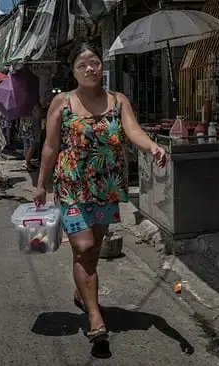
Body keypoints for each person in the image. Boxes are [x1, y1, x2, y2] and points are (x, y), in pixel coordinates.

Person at [33, 42, 166, 344]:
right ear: (74, 71)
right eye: (83, 65)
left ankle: (83, 294)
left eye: (94, 62)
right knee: (83, 246)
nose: (90, 68)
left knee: (92, 252)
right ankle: (95, 316)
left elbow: (133, 131)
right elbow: (51, 145)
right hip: (71, 187)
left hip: (105, 187)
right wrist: (42, 183)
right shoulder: (62, 103)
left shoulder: (118, 101)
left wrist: (152, 147)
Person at [19, 102, 42, 170]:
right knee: (34, 144)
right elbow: (38, 115)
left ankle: (28, 163)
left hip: (24, 125)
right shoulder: (35, 103)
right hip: (32, 126)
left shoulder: (22, 103)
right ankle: (27, 162)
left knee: (27, 145)